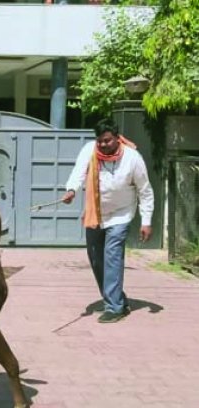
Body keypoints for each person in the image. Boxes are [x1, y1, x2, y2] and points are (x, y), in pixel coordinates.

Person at [61, 119, 154, 324]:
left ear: (117, 138)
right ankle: (118, 298)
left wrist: (146, 221)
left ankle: (114, 307)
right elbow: (78, 173)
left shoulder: (132, 158)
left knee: (112, 257)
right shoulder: (89, 150)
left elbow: (145, 191)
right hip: (96, 214)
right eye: (100, 141)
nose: (102, 145)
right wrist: (71, 191)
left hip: (121, 215)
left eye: (107, 141)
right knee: (95, 258)